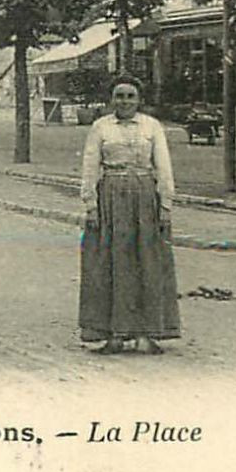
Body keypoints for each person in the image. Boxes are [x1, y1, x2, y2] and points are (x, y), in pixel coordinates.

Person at [78, 75, 180, 356]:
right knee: (111, 262)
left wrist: (165, 205)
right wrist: (91, 205)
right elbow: (89, 166)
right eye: (119, 96)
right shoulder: (101, 127)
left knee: (147, 262)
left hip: (146, 197)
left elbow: (163, 166)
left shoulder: (152, 126)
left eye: (130, 96)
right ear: (112, 100)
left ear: (139, 99)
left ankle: (146, 335)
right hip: (111, 197)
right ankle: (113, 335)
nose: (124, 102)